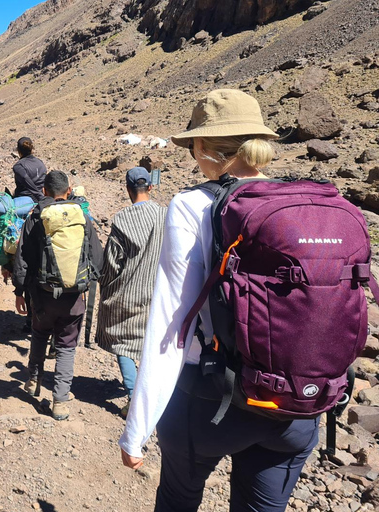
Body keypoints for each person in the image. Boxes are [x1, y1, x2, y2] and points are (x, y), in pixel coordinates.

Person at [119, 89, 319, 511]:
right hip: (296, 405)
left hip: (211, 400)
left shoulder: (193, 205)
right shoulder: (303, 203)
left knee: (178, 498)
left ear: (205, 148)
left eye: (194, 145)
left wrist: (137, 429)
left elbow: (173, 321)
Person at [12, 170, 103, 420]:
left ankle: (33, 381)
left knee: (40, 334)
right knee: (66, 346)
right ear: (69, 189)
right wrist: (84, 283)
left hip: (42, 296)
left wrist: (20, 292)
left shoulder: (35, 217)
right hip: (74, 298)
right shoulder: (82, 217)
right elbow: (97, 259)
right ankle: (60, 401)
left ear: (44, 191)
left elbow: (23, 259)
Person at [96, 167, 166, 413]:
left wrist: (104, 282)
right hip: (157, 293)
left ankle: (135, 397)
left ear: (128, 189)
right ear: (150, 187)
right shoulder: (165, 215)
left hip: (127, 293)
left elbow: (112, 262)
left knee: (123, 342)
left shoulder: (123, 219)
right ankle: (154, 395)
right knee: (151, 344)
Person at [9, 136, 48, 333]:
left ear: (18, 150)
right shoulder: (41, 164)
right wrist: (43, 198)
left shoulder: (18, 166)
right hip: (42, 200)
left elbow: (26, 185)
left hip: (25, 205)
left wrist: (36, 197)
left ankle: (10, 267)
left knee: (21, 250)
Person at [12, 136, 47, 202]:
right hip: (41, 197)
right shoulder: (40, 162)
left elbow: (26, 179)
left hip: (24, 199)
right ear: (31, 149)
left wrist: (39, 196)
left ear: (18, 151)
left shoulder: (19, 166)